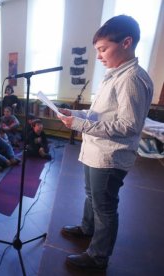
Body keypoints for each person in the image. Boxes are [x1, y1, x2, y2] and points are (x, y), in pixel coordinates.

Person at [57, 15, 153, 270]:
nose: (99, 56)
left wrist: (78, 125)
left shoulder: (131, 78)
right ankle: (88, 228)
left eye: (103, 49)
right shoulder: (114, 74)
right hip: (96, 151)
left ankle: (98, 257)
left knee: (105, 206)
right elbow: (102, 113)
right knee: (91, 196)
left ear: (126, 42)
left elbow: (127, 127)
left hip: (110, 157)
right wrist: (75, 115)